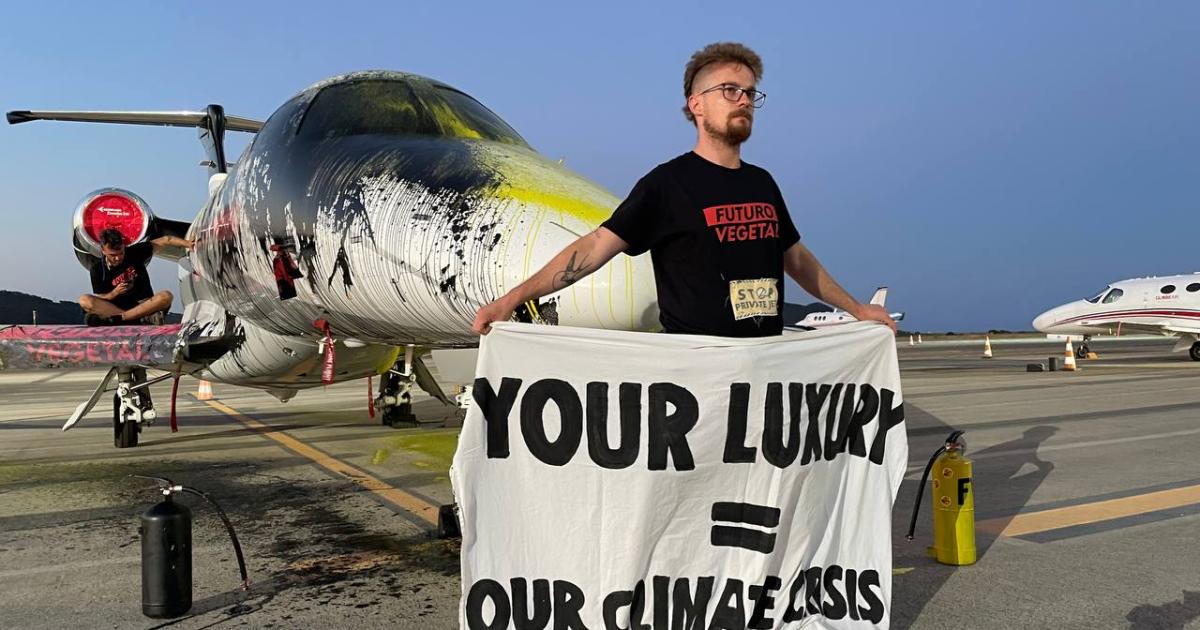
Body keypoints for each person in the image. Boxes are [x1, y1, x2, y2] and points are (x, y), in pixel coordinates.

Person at [473, 42, 894, 337]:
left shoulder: (762, 183)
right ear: (696, 104)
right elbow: (595, 247)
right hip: (696, 370)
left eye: (750, 93)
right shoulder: (667, 185)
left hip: (766, 365)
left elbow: (797, 259)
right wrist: (512, 299)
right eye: (730, 90)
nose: (744, 100)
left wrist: (857, 310)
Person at [79, 228, 193, 326]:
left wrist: (188, 243)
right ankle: (127, 318)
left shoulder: (135, 252)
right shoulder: (97, 269)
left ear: (124, 247)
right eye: (113, 255)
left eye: (121, 253)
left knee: (166, 296)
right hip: (115, 307)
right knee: (84, 300)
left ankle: (122, 319)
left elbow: (165, 240)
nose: (118, 258)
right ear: (103, 250)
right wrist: (115, 292)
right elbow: (103, 297)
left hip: (143, 306)